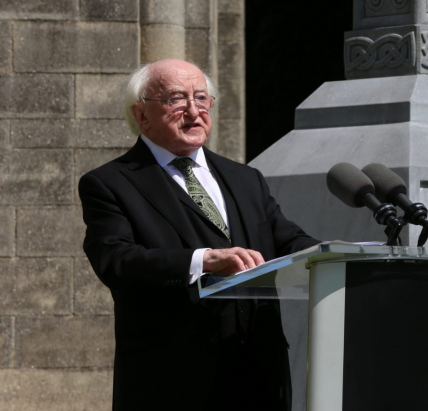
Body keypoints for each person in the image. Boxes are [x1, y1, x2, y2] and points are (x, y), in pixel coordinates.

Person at [79, 59, 319, 411]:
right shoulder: (111, 183)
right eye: (176, 99)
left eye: (202, 98)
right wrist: (203, 260)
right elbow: (115, 260)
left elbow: (290, 241)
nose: (194, 110)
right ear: (141, 114)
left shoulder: (245, 179)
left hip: (256, 374)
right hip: (171, 379)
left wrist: (337, 257)